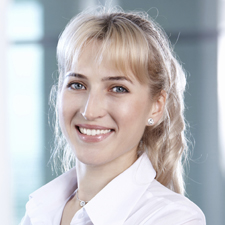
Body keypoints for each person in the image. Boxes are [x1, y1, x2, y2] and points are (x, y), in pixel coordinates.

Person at [20, 7, 206, 225]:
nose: (90, 111)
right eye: (77, 84)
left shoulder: (173, 218)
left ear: (156, 107)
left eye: (118, 88)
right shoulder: (40, 209)